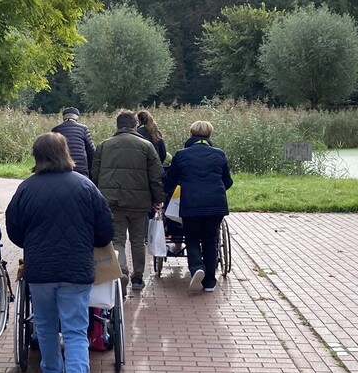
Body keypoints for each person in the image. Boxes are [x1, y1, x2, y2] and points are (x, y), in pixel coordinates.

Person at [6, 132, 113, 373]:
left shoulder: (26, 189)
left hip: (40, 270)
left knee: (45, 324)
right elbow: (105, 231)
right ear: (66, 152)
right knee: (77, 330)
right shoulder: (86, 186)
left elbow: (14, 231)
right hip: (77, 269)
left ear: (36, 155)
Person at [91, 111, 164, 291]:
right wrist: (158, 200)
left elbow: (94, 175)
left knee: (117, 240)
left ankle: (122, 272)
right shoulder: (147, 146)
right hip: (139, 203)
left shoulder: (104, 146)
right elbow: (156, 177)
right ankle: (138, 278)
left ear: (117, 126)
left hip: (112, 202)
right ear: (135, 126)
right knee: (138, 241)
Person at [164, 120, 233, 293]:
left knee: (192, 236)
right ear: (209, 135)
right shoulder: (219, 154)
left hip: (191, 203)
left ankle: (197, 268)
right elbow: (228, 182)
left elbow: (169, 181)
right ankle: (210, 282)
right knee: (211, 240)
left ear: (191, 134)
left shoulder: (181, 155)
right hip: (215, 205)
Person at [51, 106, 96, 178]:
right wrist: (90, 171)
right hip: (81, 170)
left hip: (61, 169)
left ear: (64, 118)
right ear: (77, 117)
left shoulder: (56, 129)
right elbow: (91, 152)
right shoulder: (83, 129)